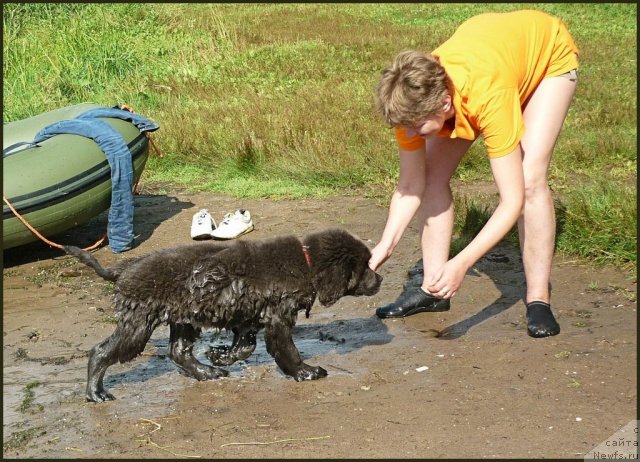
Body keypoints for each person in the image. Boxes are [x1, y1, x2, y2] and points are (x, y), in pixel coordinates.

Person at [368, 9, 579, 337]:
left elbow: (512, 201)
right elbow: (411, 185)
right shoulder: (408, 108)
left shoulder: (487, 95)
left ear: (444, 106)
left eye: (418, 129)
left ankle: (538, 298)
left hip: (547, 57)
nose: (411, 135)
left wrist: (462, 263)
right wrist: (385, 244)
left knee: (529, 176)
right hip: (496, 55)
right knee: (432, 175)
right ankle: (434, 290)